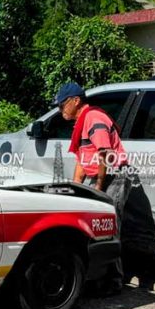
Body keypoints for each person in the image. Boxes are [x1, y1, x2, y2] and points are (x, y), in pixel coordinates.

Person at [54, 82, 132, 294]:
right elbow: (82, 161)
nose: (60, 110)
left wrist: (98, 185)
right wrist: (75, 190)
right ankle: (97, 278)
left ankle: (113, 281)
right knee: (95, 228)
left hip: (113, 176)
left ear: (76, 101)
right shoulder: (81, 123)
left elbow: (105, 153)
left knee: (108, 227)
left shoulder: (94, 118)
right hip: (100, 176)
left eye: (62, 105)